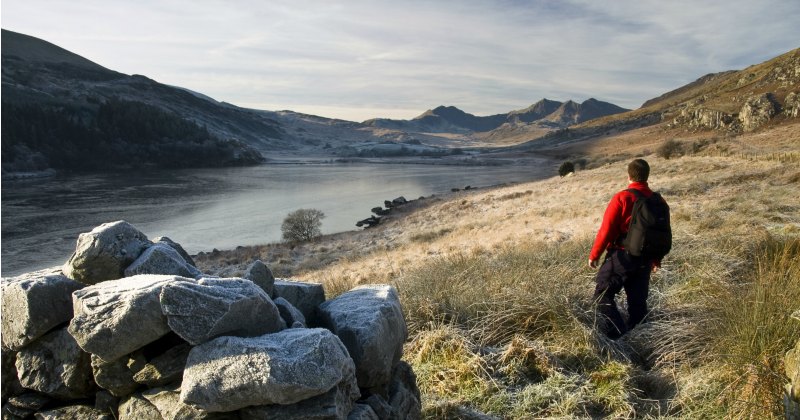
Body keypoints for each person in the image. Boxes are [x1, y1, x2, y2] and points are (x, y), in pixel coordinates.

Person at [588, 158, 663, 339]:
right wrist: (655, 259)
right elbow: (660, 232)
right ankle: (641, 341)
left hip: (621, 257)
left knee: (602, 296)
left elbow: (607, 229)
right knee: (638, 304)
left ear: (629, 176)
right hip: (645, 259)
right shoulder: (658, 201)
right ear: (647, 176)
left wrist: (595, 255)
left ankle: (619, 337)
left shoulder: (622, 197)